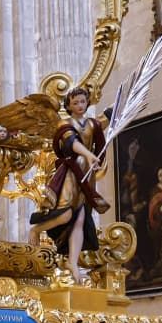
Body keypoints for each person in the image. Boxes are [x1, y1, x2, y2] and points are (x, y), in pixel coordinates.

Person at [28, 87, 111, 278]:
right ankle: (37, 230)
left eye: (83, 102)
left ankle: (73, 263)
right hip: (70, 173)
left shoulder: (92, 123)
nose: (80, 106)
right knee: (66, 214)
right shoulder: (64, 124)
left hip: (87, 175)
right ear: (69, 105)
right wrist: (90, 155)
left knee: (80, 218)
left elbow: (109, 118)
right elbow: (71, 143)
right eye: (75, 103)